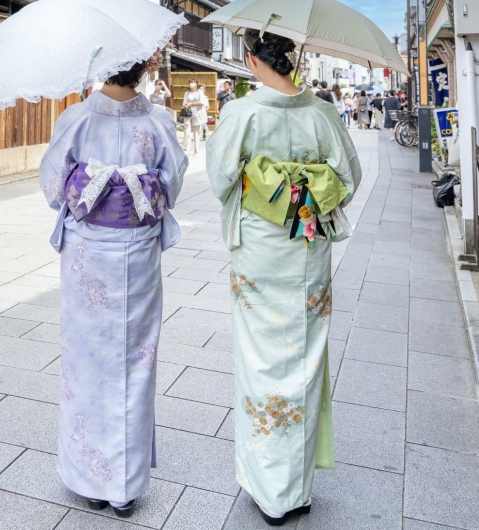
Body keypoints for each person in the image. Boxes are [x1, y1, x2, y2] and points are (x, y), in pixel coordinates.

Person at [206, 29, 361, 526]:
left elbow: (219, 178)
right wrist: (305, 189)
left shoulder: (243, 112)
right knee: (307, 352)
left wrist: (266, 183)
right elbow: (349, 178)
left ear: (252, 60)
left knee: (259, 357)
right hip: (308, 246)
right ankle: (298, 486)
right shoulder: (324, 113)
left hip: (259, 250)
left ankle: (270, 487)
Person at [39, 53, 188, 519]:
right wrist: (136, 188)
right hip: (138, 253)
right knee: (135, 360)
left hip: (87, 255)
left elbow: (51, 187)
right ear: (143, 69)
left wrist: (93, 188)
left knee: (86, 359)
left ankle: (90, 477)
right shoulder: (158, 120)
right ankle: (126, 484)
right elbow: (173, 183)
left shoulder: (76, 117)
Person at [183, 79, 206, 155]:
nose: (192, 84)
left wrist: (191, 104)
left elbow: (202, 102)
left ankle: (196, 150)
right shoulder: (186, 93)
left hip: (197, 113)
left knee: (196, 132)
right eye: (190, 82)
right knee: (187, 132)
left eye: (193, 82)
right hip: (188, 113)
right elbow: (184, 102)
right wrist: (186, 105)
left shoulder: (199, 92)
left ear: (196, 84)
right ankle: (187, 149)